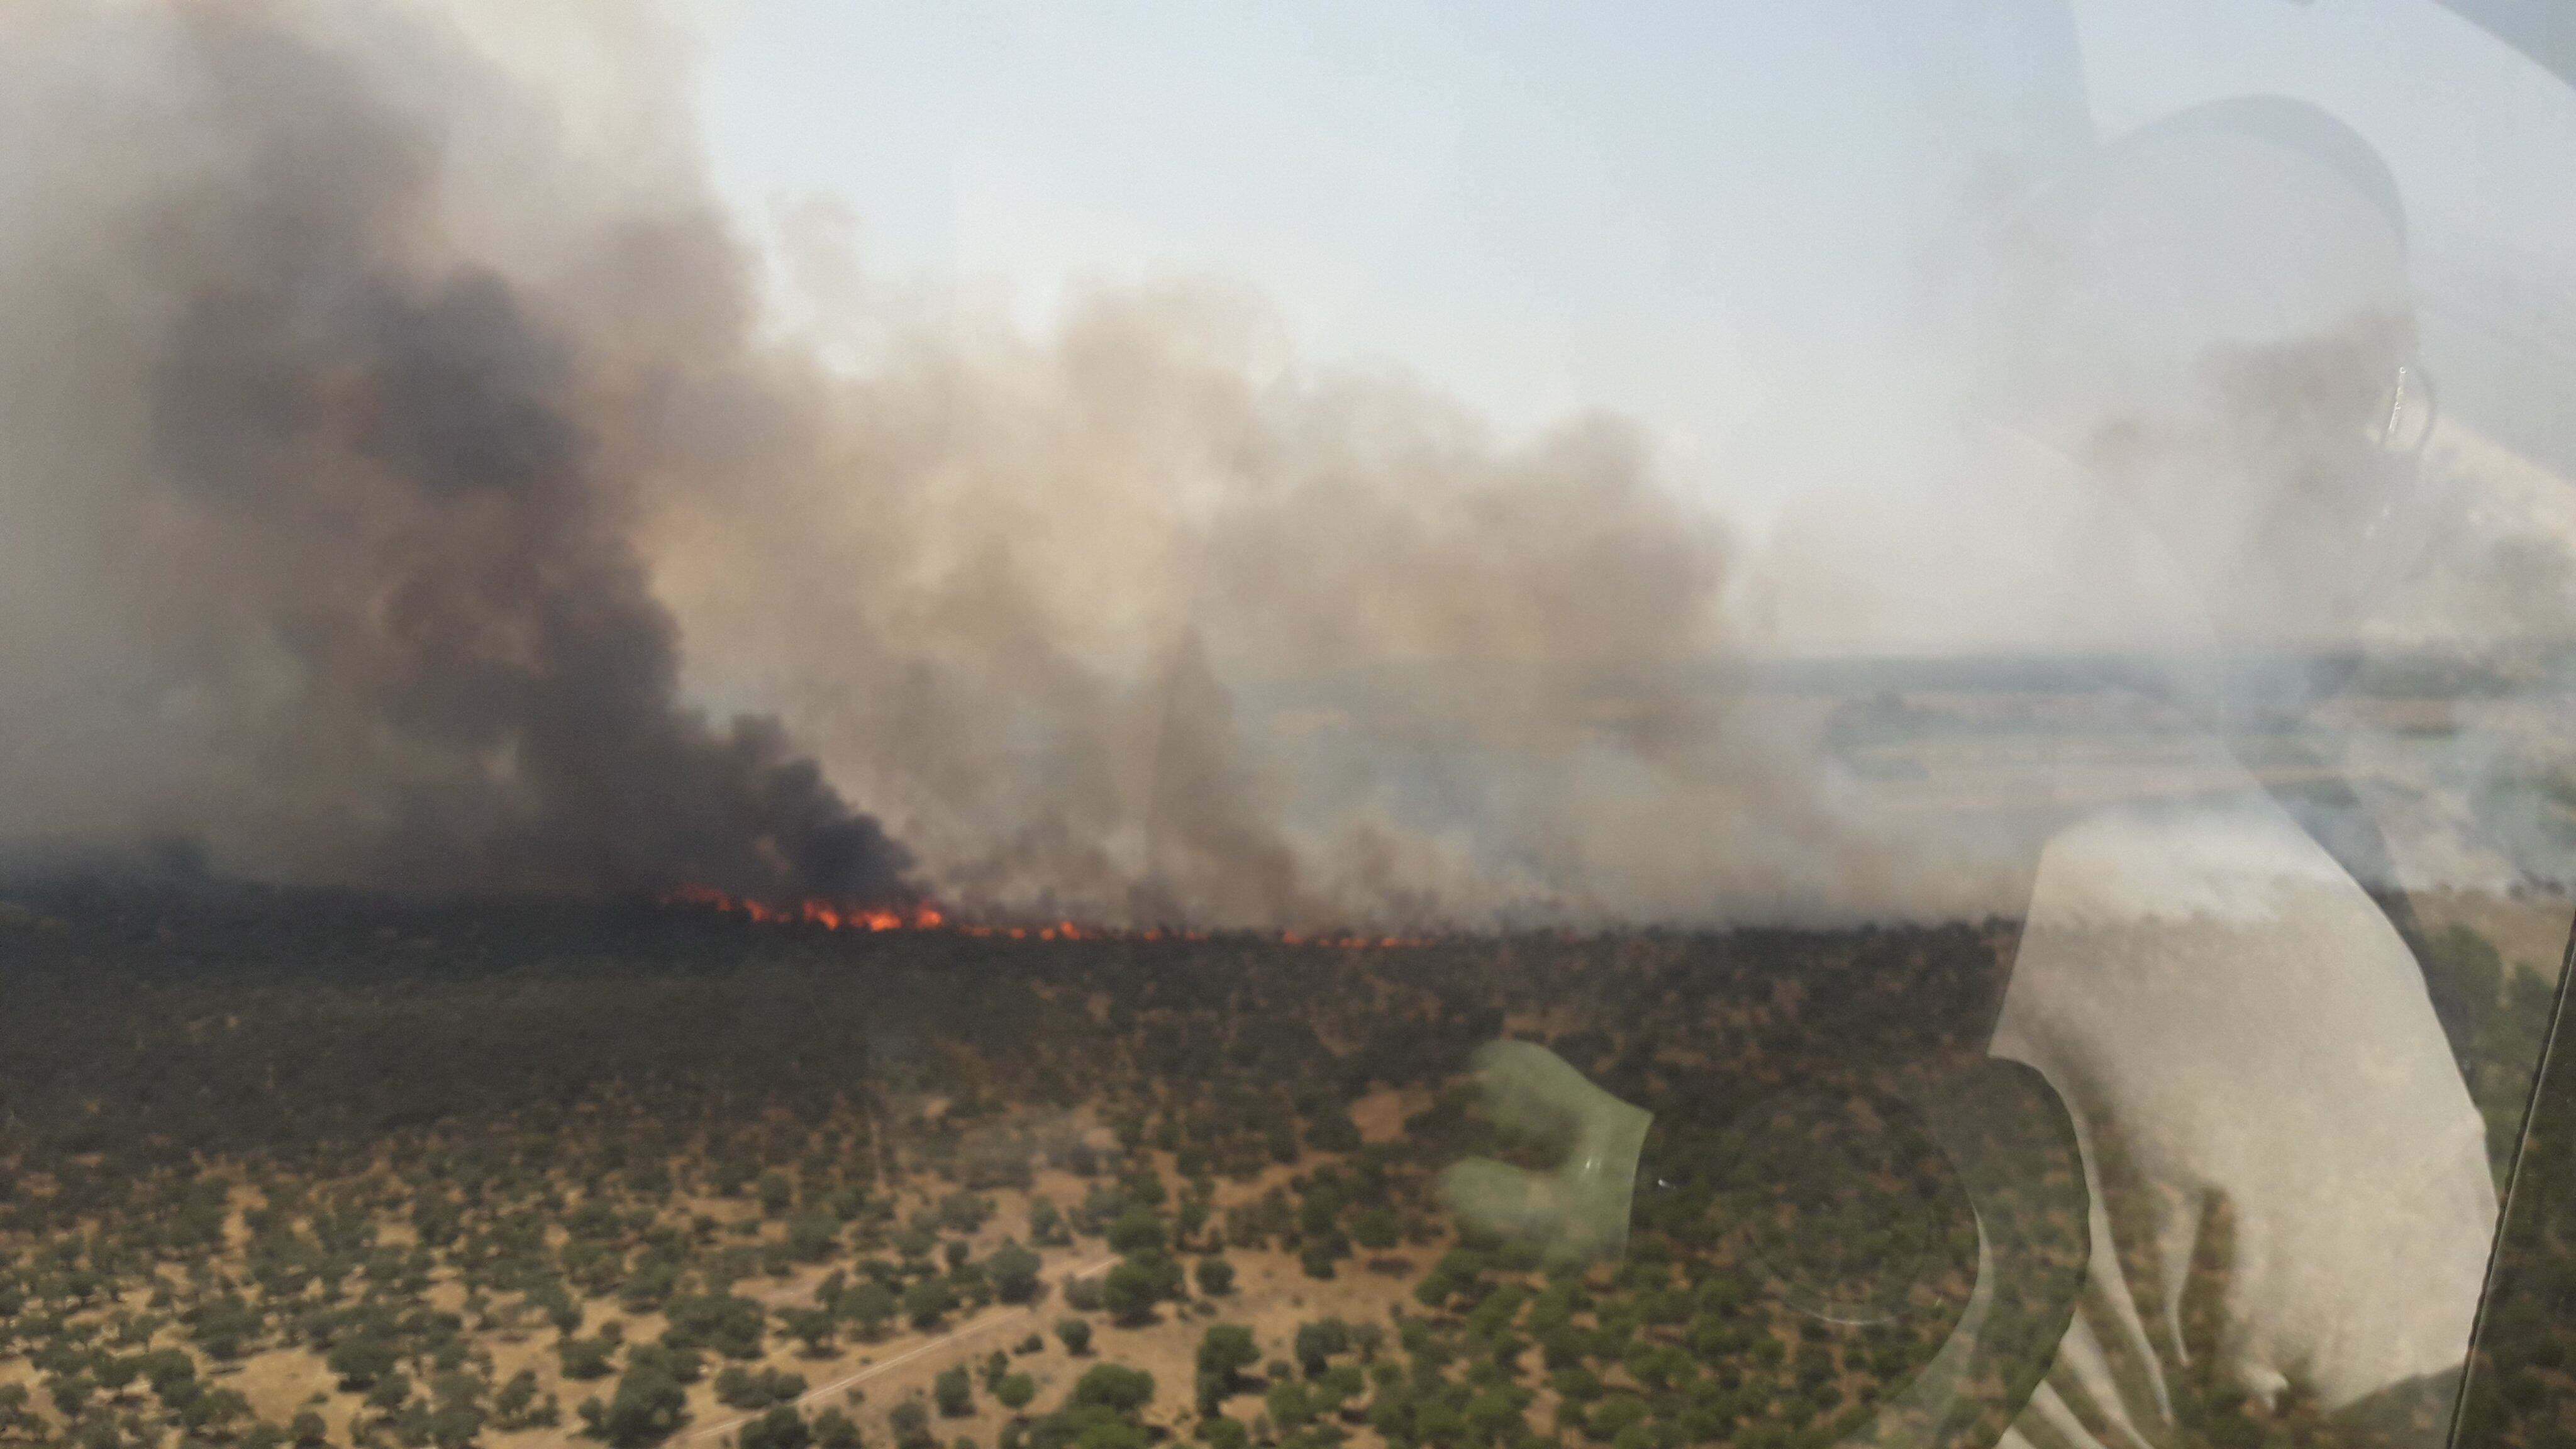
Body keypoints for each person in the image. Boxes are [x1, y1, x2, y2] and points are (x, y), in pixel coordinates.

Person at [1441, 99, 2494, 1449]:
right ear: (2247, 428)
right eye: (2363, 396)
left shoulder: (1641, 640)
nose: (2364, 469)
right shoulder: (2306, 990)